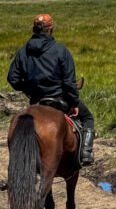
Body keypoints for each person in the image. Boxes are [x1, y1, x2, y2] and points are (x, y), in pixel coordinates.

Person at [6, 13, 94, 165]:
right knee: (87, 118)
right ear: (51, 29)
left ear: (34, 29)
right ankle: (85, 153)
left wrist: (28, 88)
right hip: (60, 99)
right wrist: (73, 103)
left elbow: (12, 78)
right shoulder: (61, 51)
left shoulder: (23, 52)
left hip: (36, 102)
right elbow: (68, 82)